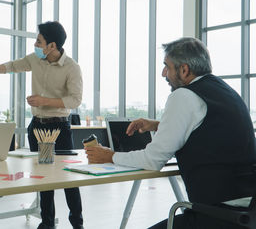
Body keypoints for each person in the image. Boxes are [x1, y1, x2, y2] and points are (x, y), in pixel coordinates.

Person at [85, 37, 256, 229]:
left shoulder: (184, 95)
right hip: (246, 211)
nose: (163, 73)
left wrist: (110, 156)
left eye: (167, 66)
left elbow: (152, 161)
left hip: (216, 216)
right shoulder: (225, 91)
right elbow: (208, 130)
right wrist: (158, 125)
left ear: (184, 70)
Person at [0, 21, 84, 229]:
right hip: (37, 127)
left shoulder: (72, 68)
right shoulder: (35, 60)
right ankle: (47, 222)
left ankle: (77, 223)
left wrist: (44, 101)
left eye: (39, 41)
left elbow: (75, 100)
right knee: (44, 179)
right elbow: (12, 66)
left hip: (60, 127)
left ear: (52, 46)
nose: (35, 45)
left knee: (68, 178)